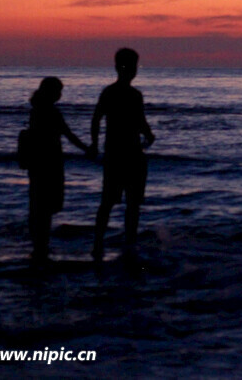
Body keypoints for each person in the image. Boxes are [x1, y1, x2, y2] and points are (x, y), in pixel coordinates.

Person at [90, 48, 155, 261]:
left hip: (116, 154)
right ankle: (128, 243)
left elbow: (96, 119)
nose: (134, 70)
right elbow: (140, 121)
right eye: (133, 66)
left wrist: (94, 144)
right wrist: (149, 135)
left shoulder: (109, 92)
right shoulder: (132, 95)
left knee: (110, 201)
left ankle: (100, 244)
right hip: (129, 154)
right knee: (130, 203)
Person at [24, 77, 90, 264]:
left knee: (37, 204)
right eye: (58, 91)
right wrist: (86, 149)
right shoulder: (51, 112)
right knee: (47, 206)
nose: (60, 95)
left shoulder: (36, 110)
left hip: (37, 163)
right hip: (50, 163)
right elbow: (68, 134)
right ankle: (41, 247)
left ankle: (38, 246)